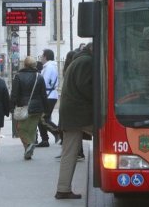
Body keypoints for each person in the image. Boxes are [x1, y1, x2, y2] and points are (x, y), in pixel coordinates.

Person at [55, 43, 93, 199]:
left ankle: (63, 189)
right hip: (80, 113)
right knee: (110, 131)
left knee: (69, 152)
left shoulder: (77, 61)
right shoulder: (87, 62)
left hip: (72, 113)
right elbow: (86, 87)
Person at [10, 56, 48, 160]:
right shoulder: (39, 76)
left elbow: (14, 94)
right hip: (37, 108)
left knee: (21, 129)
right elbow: (43, 95)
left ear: (25, 64)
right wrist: (46, 109)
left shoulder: (18, 76)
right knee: (31, 129)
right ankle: (28, 152)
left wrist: (11, 106)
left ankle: (29, 144)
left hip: (24, 106)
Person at [55, 49, 86, 161]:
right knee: (74, 131)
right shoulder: (73, 69)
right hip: (71, 105)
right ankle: (74, 152)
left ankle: (74, 152)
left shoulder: (69, 69)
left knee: (72, 131)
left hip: (70, 105)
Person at [36, 49, 60, 147]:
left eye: (42, 56)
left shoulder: (48, 67)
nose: (41, 58)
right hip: (50, 94)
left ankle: (57, 132)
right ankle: (45, 139)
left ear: (45, 57)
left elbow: (43, 82)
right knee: (42, 118)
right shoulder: (51, 66)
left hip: (48, 95)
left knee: (43, 118)